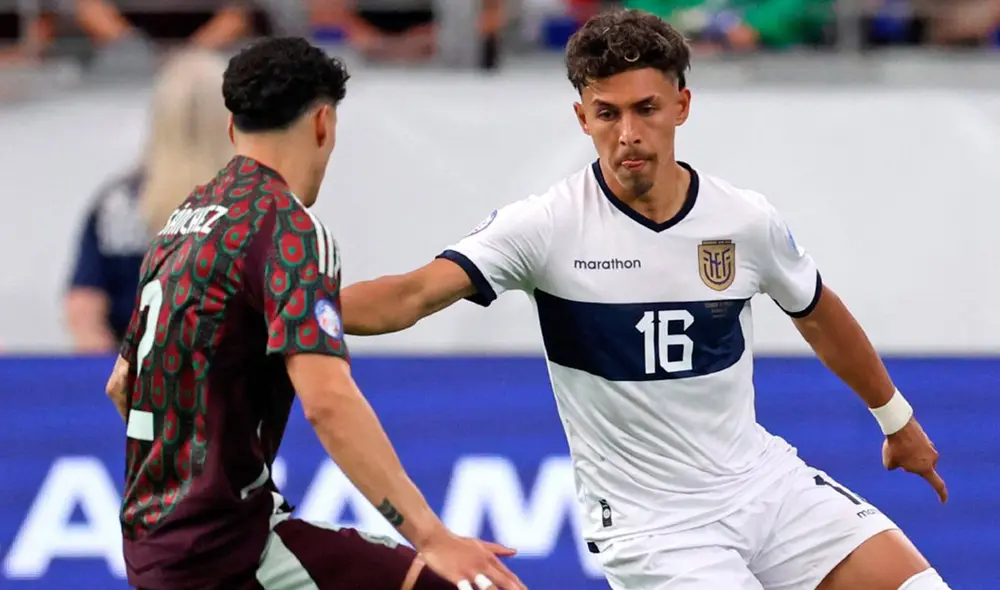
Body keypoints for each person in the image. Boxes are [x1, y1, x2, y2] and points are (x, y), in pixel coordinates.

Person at [338, 8, 952, 590]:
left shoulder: (742, 220)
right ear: (582, 118)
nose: (628, 134)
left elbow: (817, 313)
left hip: (765, 486)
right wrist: (291, 307)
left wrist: (896, 421)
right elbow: (411, 295)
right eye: (607, 114)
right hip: (655, 528)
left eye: (646, 109)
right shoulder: (546, 227)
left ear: (681, 106)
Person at [103, 37, 526, 590]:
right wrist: (432, 536)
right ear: (324, 123)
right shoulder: (286, 227)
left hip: (154, 544)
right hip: (228, 548)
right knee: (463, 584)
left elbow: (123, 384)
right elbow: (327, 402)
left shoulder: (185, 222)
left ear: (234, 129)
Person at [65, 49, 232, 353]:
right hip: (224, 380)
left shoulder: (116, 203)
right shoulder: (256, 207)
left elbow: (84, 308)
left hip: (136, 382)